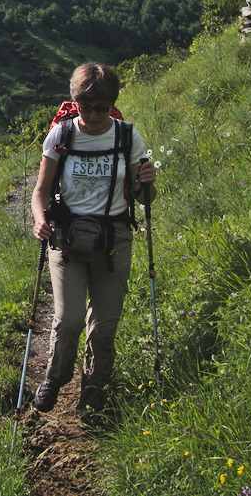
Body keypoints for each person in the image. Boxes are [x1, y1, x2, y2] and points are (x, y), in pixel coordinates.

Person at [30, 62, 157, 420]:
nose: (93, 114)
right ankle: (56, 379)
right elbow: (40, 192)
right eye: (85, 106)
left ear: (113, 103)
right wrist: (41, 221)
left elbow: (144, 199)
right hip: (66, 238)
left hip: (114, 238)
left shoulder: (128, 137)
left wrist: (148, 181)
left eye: (102, 106)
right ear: (75, 102)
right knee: (68, 322)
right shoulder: (61, 135)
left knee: (103, 328)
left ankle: (94, 390)